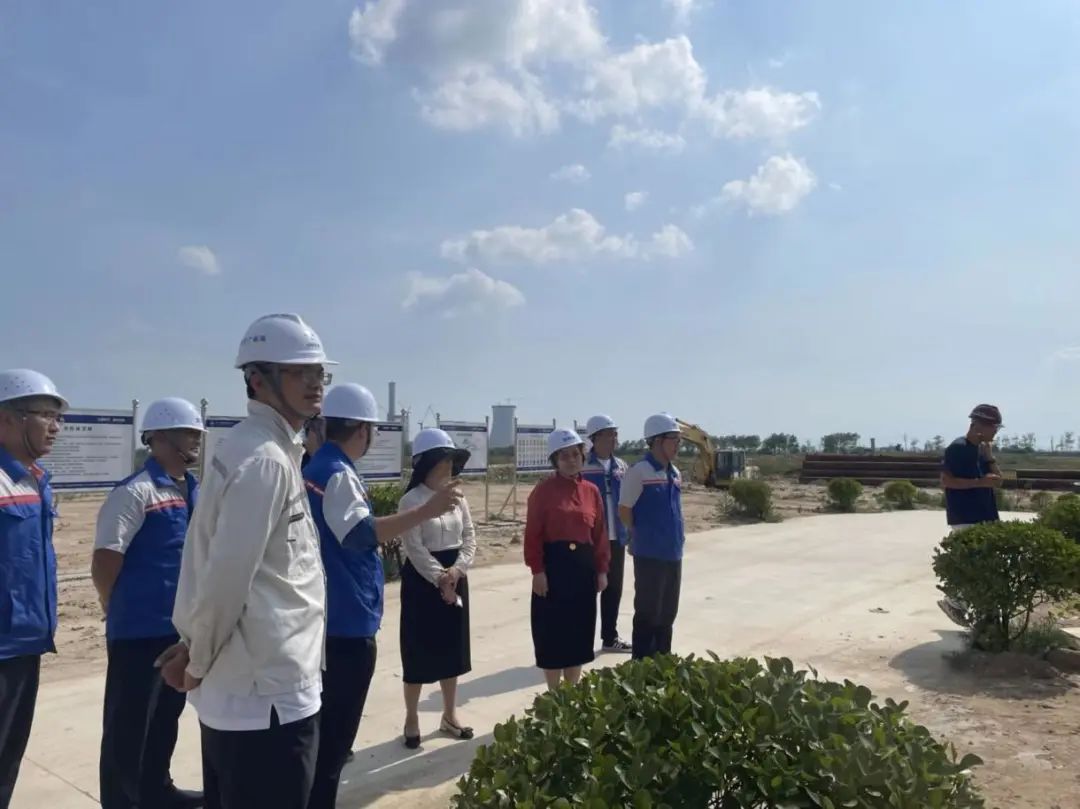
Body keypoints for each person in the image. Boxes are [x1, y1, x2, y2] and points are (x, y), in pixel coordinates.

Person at [158, 313, 335, 809]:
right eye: (299, 372)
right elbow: (226, 579)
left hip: (252, 690)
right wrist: (196, 660)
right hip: (266, 700)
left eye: (319, 372)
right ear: (258, 380)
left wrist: (195, 647)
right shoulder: (265, 461)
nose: (315, 384)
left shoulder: (255, 446)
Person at [304, 389, 461, 808]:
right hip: (345, 620)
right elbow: (360, 534)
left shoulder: (319, 466)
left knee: (323, 739)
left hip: (334, 613)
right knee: (333, 744)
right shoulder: (337, 473)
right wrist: (427, 511)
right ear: (363, 430)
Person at [92, 398, 205, 809]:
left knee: (165, 717)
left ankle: (158, 790)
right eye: (185, 434)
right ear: (156, 438)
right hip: (138, 631)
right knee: (129, 726)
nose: (194, 442)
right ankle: (122, 801)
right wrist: (113, 603)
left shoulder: (196, 490)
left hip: (179, 629)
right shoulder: (135, 491)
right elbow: (106, 559)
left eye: (196, 434)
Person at [0, 369, 66, 809]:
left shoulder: (35, 479)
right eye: (44, 414)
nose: (55, 426)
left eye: (58, 417)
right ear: (6, 418)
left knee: (7, 760)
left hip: (27, 642)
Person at [398, 428, 476, 749]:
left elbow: (469, 536)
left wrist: (457, 570)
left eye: (451, 461)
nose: (447, 467)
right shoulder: (410, 501)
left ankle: (449, 714)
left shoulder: (458, 497)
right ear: (425, 464)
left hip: (456, 575)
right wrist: (439, 577)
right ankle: (411, 717)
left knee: (451, 649)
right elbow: (414, 547)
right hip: (422, 580)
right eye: (441, 461)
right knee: (417, 651)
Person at [526, 429, 610, 690]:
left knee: (578, 634)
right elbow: (533, 534)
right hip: (553, 570)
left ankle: (571, 694)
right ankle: (554, 696)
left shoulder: (592, 491)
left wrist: (602, 570)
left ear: (582, 456)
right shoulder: (543, 491)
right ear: (555, 460)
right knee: (552, 635)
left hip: (583, 571)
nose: (571, 460)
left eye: (575, 454)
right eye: (564, 456)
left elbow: (600, 534)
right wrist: (537, 571)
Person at [619, 413, 685, 661]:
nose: (678, 445)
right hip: (649, 554)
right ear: (657, 440)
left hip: (673, 553)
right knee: (648, 612)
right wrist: (638, 534)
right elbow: (624, 509)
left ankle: (663, 663)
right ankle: (642, 664)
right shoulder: (639, 472)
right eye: (673, 439)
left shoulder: (675, 472)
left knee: (668, 613)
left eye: (679, 440)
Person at [937, 403, 1004, 627]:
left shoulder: (982, 451)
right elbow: (947, 481)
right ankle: (954, 602)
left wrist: (990, 458)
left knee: (988, 566)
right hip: (965, 516)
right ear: (977, 425)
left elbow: (999, 481)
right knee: (974, 564)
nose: (995, 432)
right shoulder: (958, 448)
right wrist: (980, 482)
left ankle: (977, 614)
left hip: (986, 515)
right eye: (993, 427)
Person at [581, 415, 631, 653]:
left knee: (613, 589)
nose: (614, 439)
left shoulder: (621, 466)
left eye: (615, 434)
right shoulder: (583, 466)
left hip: (616, 538)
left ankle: (610, 638)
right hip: (590, 539)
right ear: (595, 438)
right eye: (609, 434)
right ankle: (582, 641)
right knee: (587, 590)